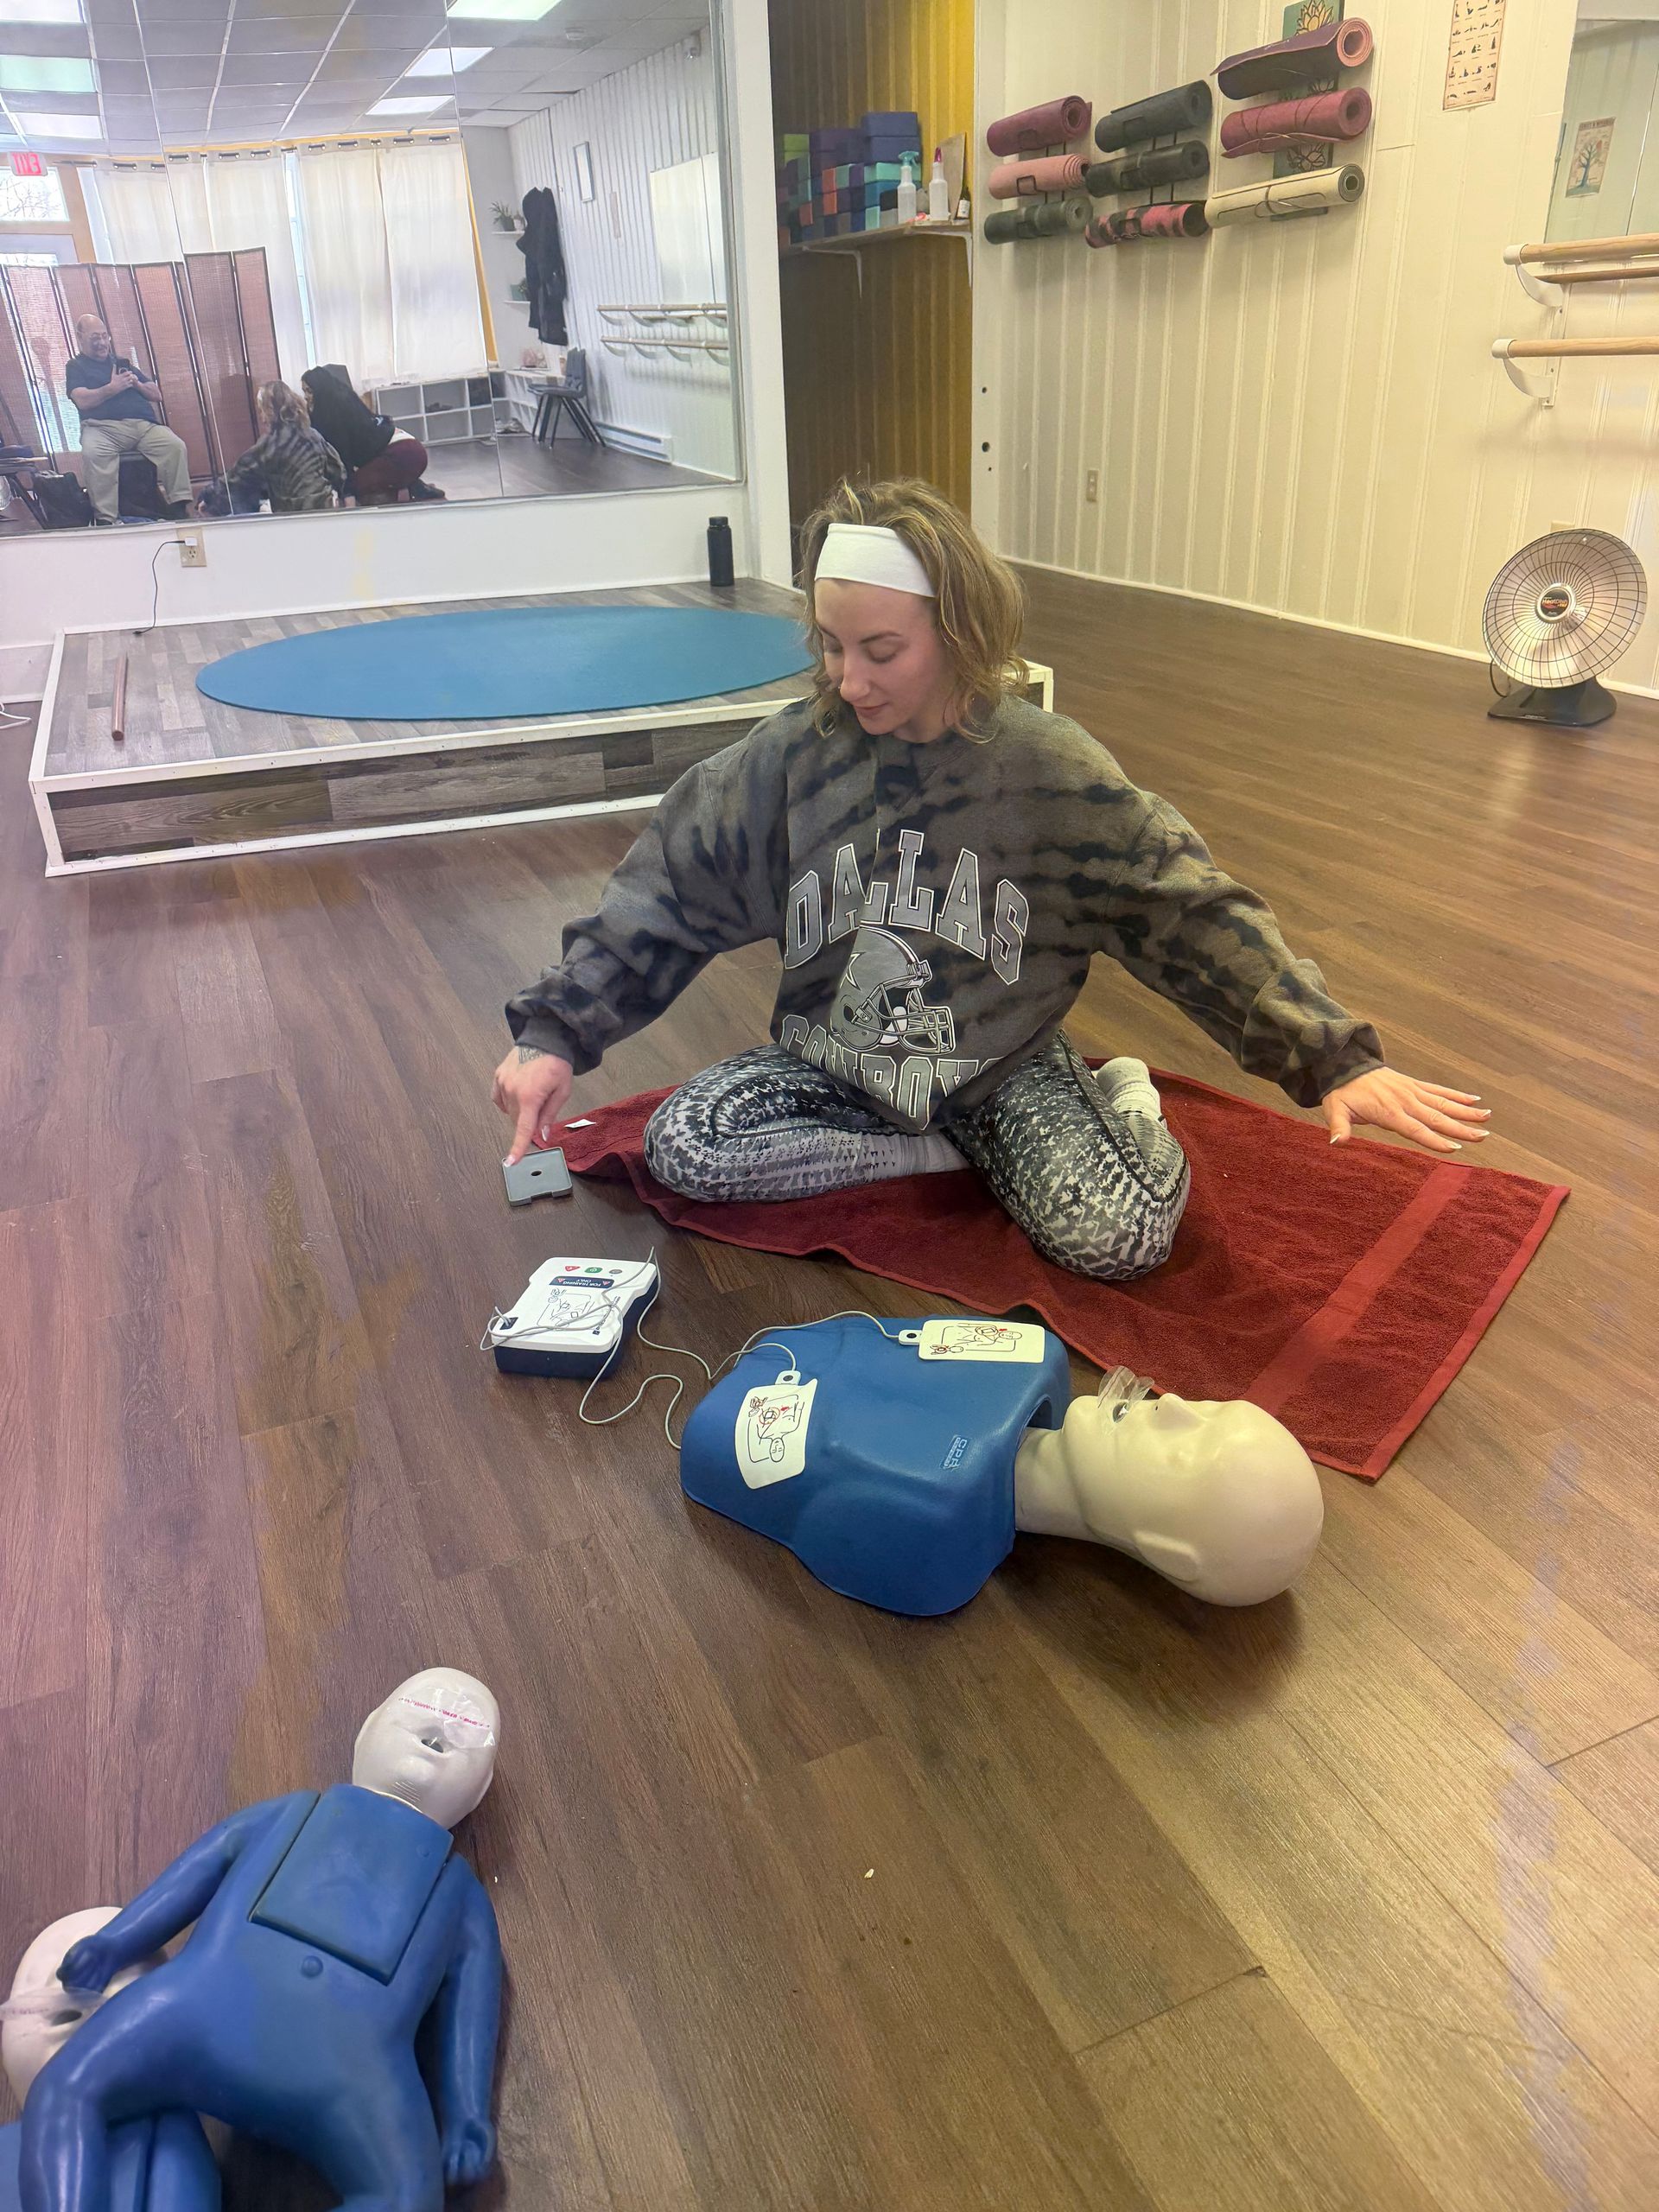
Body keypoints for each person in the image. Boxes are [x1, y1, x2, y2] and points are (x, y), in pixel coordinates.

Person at [493, 478, 1491, 1282]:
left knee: (1121, 1238)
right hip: (839, 1067)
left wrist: (1332, 1056)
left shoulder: (1048, 770)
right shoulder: (788, 761)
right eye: (833, 647)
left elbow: (1187, 907)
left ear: (960, 633)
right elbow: (667, 887)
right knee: (687, 1147)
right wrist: (556, 1034)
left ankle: (1121, 1098)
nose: (851, 679)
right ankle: (942, 1163)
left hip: (1000, 1070)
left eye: (881, 650)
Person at [63, 315, 193, 524]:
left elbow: (156, 395)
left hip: (144, 426)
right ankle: (106, 519)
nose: (102, 343)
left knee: (174, 446)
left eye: (105, 337)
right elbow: (81, 400)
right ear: (80, 337)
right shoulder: (75, 366)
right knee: (93, 452)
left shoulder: (122, 363)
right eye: (95, 337)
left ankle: (179, 506)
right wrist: (111, 389)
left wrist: (136, 384)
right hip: (102, 428)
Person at [300, 365, 442, 504]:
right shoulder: (340, 398)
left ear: (320, 390)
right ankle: (413, 485)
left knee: (358, 489)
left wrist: (348, 492)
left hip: (404, 453)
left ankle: (410, 490)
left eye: (309, 391)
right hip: (406, 447)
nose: (306, 396)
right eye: (304, 391)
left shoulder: (334, 412)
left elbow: (343, 453)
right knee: (358, 484)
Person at [222, 378, 344, 514]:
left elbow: (237, 476)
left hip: (292, 518)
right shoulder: (313, 435)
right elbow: (338, 471)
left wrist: (207, 499)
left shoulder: (271, 444)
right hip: (324, 512)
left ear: (271, 410)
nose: (262, 418)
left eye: (262, 410)